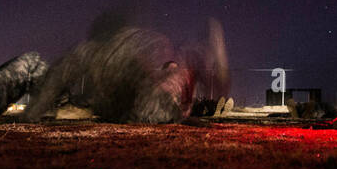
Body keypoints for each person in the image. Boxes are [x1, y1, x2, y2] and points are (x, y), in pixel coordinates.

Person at [26, 11, 229, 124]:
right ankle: (203, 103)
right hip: (150, 102)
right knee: (182, 66)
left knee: (178, 71)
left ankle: (204, 103)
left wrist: (34, 111)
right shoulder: (99, 51)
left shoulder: (93, 51)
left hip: (148, 100)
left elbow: (58, 76)